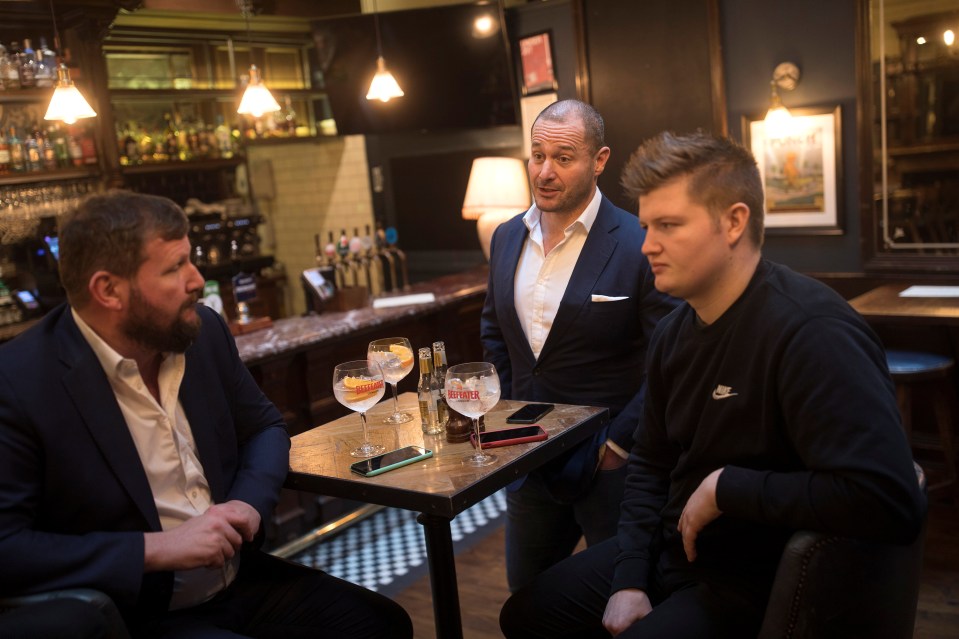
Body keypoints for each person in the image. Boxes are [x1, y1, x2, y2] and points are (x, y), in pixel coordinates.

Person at [499, 130, 927, 638]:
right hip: (670, 551)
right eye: (645, 226)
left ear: (734, 222)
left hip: (750, 580)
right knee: (526, 613)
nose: (647, 245)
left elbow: (890, 499)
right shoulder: (675, 332)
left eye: (668, 226)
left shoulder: (813, 332)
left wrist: (730, 487)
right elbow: (651, 465)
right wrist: (629, 578)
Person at [0, 191, 413, 639]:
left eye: (190, 260)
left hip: (238, 579)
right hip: (137, 614)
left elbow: (264, 428)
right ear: (108, 290)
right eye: (175, 267)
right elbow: (8, 547)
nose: (197, 280)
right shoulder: (21, 381)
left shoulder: (202, 332)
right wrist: (152, 550)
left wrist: (246, 502)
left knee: (383, 624)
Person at [480, 100, 678, 592]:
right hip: (528, 459)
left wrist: (617, 446)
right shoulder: (507, 237)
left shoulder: (637, 241)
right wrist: (507, 412)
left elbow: (671, 358)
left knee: (619, 602)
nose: (545, 171)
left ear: (599, 159)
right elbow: (493, 332)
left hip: (613, 468)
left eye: (563, 157)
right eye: (537, 155)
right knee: (525, 603)